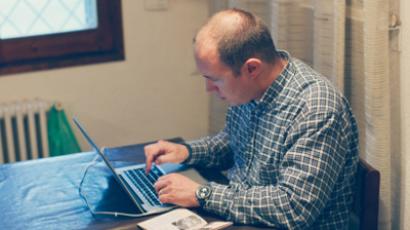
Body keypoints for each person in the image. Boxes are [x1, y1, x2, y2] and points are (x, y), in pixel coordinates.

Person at [144, 8, 359, 229]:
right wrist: (186, 152)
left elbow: (293, 209)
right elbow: (231, 143)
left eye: (215, 80)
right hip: (244, 218)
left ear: (252, 68)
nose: (208, 89)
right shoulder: (251, 90)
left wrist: (202, 193)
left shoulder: (316, 109)